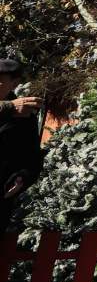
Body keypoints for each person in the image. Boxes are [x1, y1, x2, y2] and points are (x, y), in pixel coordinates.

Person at [0, 58, 42, 231]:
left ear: (14, 83)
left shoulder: (25, 118)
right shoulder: (12, 108)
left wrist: (21, 178)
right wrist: (8, 108)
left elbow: (32, 158)